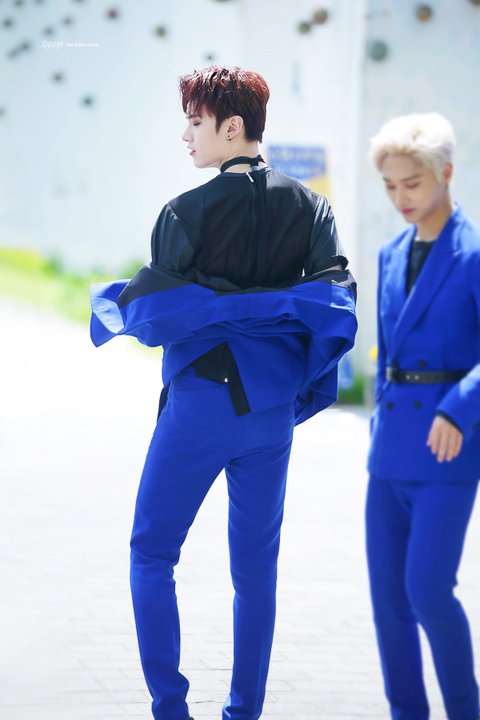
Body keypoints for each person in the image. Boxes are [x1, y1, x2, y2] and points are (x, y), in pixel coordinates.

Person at [90, 66, 357, 720]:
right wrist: (288, 369)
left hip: (201, 407)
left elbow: (155, 318)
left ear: (231, 126)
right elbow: (334, 304)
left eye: (194, 122)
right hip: (271, 413)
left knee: (152, 552)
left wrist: (212, 307)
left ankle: (171, 709)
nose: (186, 136)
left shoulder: (184, 212)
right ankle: (243, 713)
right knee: (257, 573)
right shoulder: (313, 207)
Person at [367, 112, 480, 720]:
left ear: (446, 173)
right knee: (389, 603)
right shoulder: (389, 253)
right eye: (390, 185)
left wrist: (459, 409)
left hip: (447, 447)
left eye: (412, 183)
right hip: (389, 452)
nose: (400, 198)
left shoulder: (474, 253)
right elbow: (387, 353)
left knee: (428, 592)